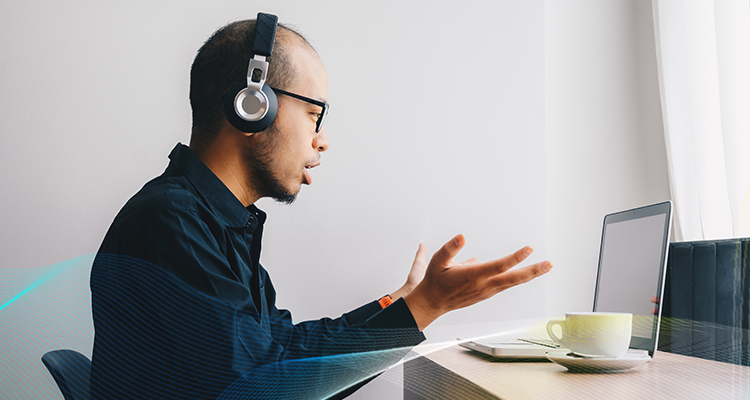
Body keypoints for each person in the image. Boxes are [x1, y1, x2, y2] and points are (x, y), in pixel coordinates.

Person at [90, 16, 553, 400]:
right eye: (314, 115)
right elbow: (264, 389)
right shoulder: (171, 223)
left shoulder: (213, 222)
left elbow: (285, 349)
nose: (323, 139)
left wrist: (409, 304)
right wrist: (423, 307)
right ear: (253, 105)